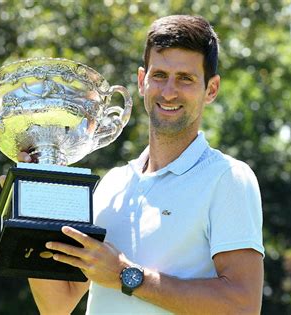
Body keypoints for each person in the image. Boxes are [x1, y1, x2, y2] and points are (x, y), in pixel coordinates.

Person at [14, 15, 264, 314]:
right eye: (159, 75)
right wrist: (34, 198)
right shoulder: (112, 184)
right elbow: (57, 305)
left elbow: (243, 306)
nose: (169, 91)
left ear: (211, 89)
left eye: (185, 78)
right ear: (141, 81)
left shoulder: (228, 178)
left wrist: (125, 275)